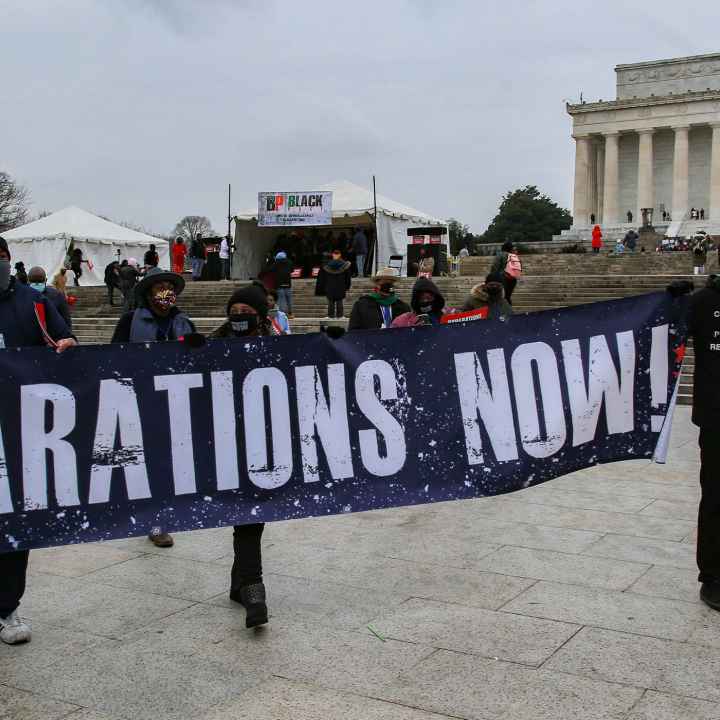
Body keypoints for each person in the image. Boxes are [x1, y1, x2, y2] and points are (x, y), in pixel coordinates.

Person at [0, 236, 77, 646]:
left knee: (13, 520)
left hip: (18, 432)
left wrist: (67, 346)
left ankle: (7, 608)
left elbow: (62, 341)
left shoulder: (33, 302)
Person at [111, 267, 194, 549]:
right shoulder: (129, 321)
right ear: (148, 293)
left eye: (169, 287)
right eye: (159, 287)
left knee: (168, 466)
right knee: (147, 465)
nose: (165, 293)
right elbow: (113, 359)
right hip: (140, 402)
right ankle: (150, 518)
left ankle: (160, 520)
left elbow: (200, 357)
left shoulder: (185, 322)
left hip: (177, 404)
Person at [210, 285, 273, 628]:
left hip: (262, 444)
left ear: (260, 316)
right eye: (234, 311)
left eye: (247, 313)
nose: (239, 318)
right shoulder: (212, 344)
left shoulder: (276, 344)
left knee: (252, 514)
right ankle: (252, 586)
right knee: (248, 513)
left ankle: (243, 584)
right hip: (223, 443)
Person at [315, 249, 352, 319]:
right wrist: (347, 286)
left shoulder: (327, 265)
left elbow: (323, 278)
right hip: (341, 285)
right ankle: (340, 315)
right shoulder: (345, 265)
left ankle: (330, 315)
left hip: (330, 286)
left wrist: (323, 286)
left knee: (331, 301)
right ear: (340, 255)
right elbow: (348, 277)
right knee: (339, 300)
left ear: (333, 255)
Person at [490, 241, 522, 305]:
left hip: (502, 279)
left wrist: (492, 277)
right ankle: (509, 311)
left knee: (501, 297)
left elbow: (495, 266)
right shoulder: (513, 256)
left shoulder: (500, 255)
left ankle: (502, 312)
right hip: (513, 279)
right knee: (507, 297)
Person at [270, 251, 293, 318]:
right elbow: (292, 270)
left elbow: (271, 270)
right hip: (288, 284)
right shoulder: (289, 262)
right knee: (289, 299)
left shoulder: (276, 263)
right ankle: (290, 313)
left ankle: (283, 314)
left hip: (279, 284)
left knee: (281, 300)